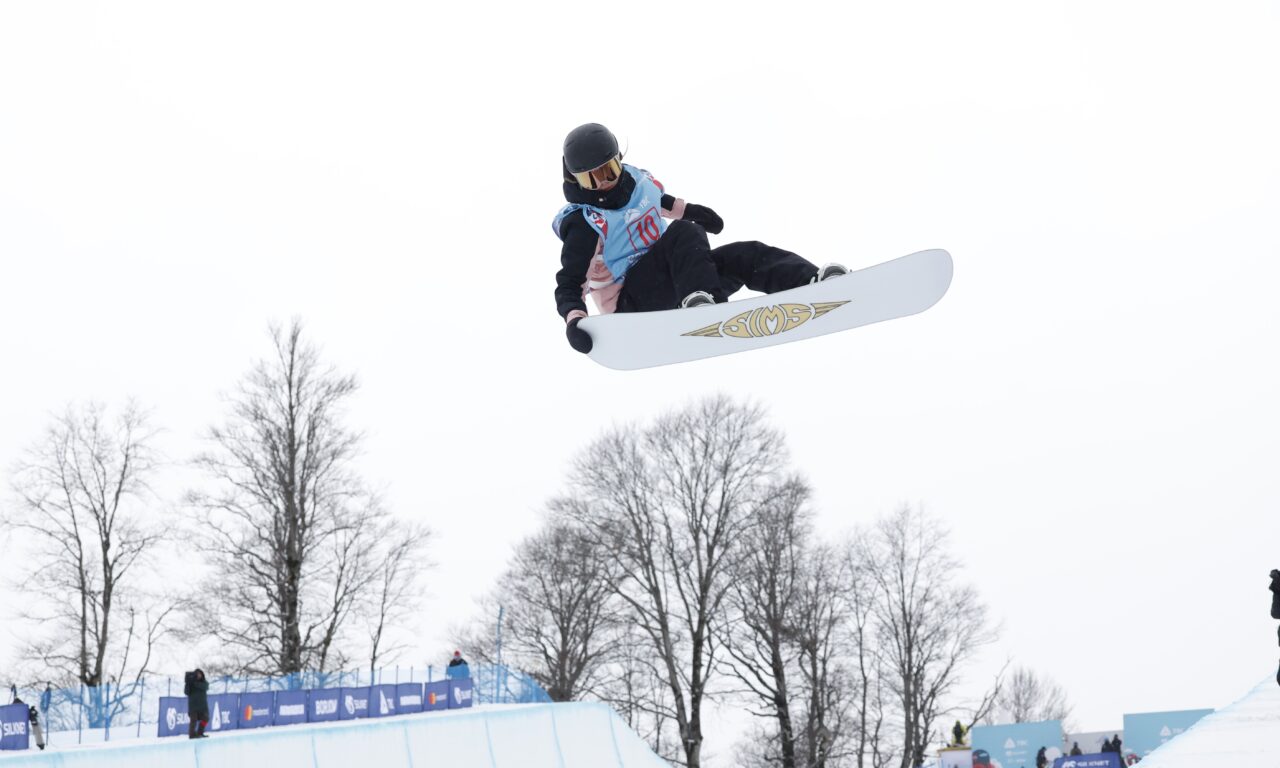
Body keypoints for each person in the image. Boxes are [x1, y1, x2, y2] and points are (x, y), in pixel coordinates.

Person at [553, 123, 848, 354]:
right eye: (590, 179)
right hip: (631, 305)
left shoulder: (635, 182)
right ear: (574, 179)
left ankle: (811, 282)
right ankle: (700, 307)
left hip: (678, 278)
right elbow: (569, 281)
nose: (603, 182)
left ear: (619, 160)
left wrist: (693, 211)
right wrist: (575, 321)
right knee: (686, 232)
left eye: (609, 170)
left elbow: (658, 201)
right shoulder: (585, 223)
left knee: (746, 255)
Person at [184, 669, 209, 739]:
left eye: (200, 674)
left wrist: (195, 683)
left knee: (205, 719)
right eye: (197, 674)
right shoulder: (190, 684)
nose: (198, 676)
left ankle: (200, 732)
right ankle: (192, 734)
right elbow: (186, 692)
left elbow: (205, 687)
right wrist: (188, 684)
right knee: (193, 721)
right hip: (193, 706)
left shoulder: (204, 682)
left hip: (202, 706)